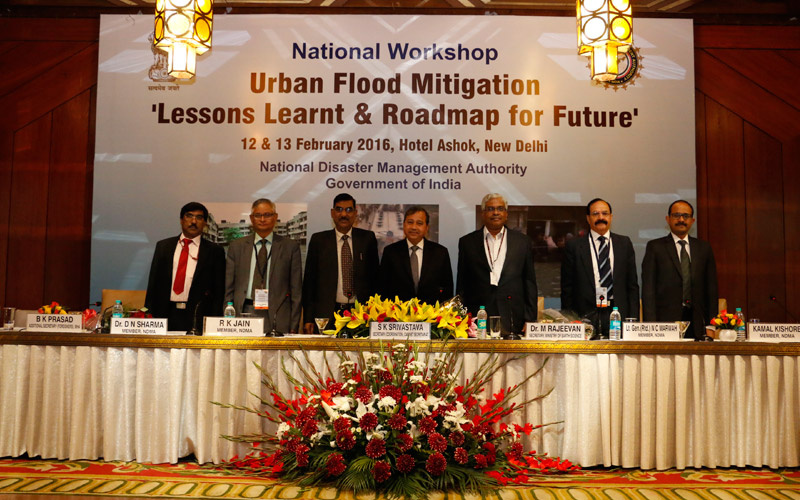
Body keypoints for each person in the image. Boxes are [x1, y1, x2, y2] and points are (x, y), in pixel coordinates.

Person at [456, 193, 538, 335]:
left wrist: (530, 318)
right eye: (490, 209)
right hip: (477, 317)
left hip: (513, 316)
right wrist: (461, 318)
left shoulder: (522, 242)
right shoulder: (467, 242)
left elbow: (529, 281)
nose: (495, 213)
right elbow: (462, 283)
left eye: (500, 209)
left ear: (506, 214)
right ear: (483, 214)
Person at [560, 198, 639, 337]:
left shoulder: (624, 243)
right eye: (595, 213)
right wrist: (569, 320)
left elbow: (632, 286)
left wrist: (633, 320)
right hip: (584, 314)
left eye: (605, 213)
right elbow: (567, 288)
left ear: (611, 217)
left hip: (617, 313)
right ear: (588, 218)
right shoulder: (574, 246)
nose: (601, 217)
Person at [302, 193, 379, 334]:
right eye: (339, 209)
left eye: (349, 210)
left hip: (361, 315)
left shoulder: (367, 239)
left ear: (355, 213)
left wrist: (375, 314)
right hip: (326, 314)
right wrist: (308, 318)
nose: (344, 214)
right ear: (332, 213)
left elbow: (375, 279)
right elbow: (309, 283)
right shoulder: (319, 240)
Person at [642, 200, 718, 339]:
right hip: (665, 322)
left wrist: (711, 325)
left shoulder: (703, 248)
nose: (681, 220)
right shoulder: (655, 247)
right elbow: (648, 290)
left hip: (697, 322)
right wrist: (651, 325)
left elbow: (711, 290)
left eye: (686, 216)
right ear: (668, 219)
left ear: (692, 220)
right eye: (676, 215)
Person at [145, 202, 225, 332]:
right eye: (189, 216)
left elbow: (218, 290)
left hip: (198, 315)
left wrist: (215, 320)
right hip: (164, 313)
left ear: (205, 223)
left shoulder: (215, 251)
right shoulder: (163, 246)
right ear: (181, 220)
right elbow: (153, 283)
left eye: (199, 217)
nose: (193, 221)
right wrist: (148, 313)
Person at [224, 199, 302, 334]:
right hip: (243, 312)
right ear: (251, 218)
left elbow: (296, 290)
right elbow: (228, 288)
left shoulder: (290, 247)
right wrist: (227, 319)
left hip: (277, 314)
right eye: (258, 215)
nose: (262, 219)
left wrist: (294, 325)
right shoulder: (237, 247)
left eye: (267, 215)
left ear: (275, 217)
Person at [378, 206, 453, 304]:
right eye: (410, 222)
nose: (414, 227)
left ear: (427, 227)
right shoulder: (390, 252)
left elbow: (447, 289)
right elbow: (383, 288)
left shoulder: (440, 253)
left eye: (419, 223)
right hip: (398, 311)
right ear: (404, 225)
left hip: (432, 311)